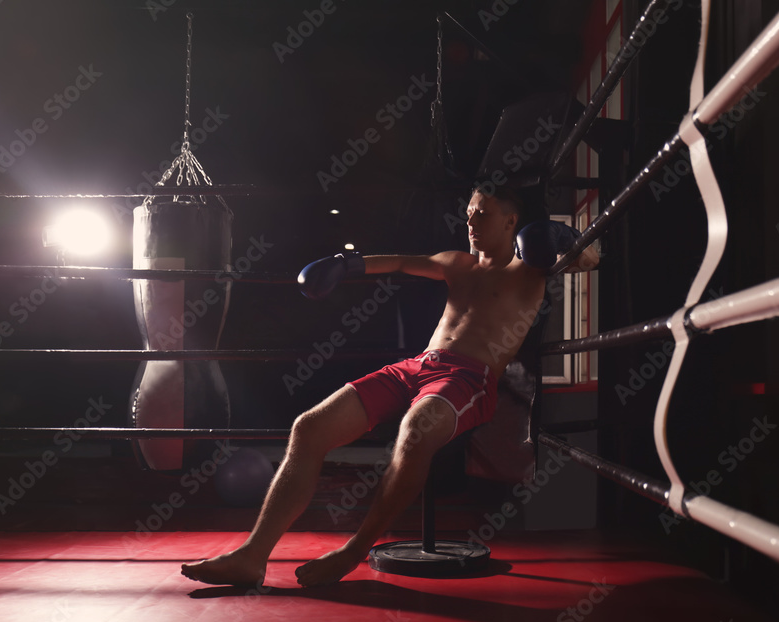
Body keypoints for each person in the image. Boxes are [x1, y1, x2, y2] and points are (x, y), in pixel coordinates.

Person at [181, 185, 598, 587]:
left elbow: (592, 258)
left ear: (511, 222)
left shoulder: (532, 269)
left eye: (483, 214)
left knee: (415, 431)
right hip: (418, 365)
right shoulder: (458, 263)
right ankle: (252, 556)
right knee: (309, 428)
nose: (471, 221)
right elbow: (399, 263)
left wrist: (559, 236)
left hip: (468, 378)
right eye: (469, 212)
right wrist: (345, 265)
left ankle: (355, 550)